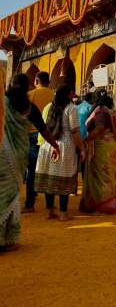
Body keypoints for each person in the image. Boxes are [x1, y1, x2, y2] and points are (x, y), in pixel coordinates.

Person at [0, 78, 59, 251]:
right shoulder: (29, 108)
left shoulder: (3, 103)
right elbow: (43, 129)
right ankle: (6, 240)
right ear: (27, 89)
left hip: (2, 153)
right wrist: (55, 145)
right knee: (9, 197)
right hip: (16, 158)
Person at [34, 85, 85, 221]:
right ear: (69, 94)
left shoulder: (51, 106)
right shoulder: (71, 108)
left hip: (49, 144)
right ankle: (63, 213)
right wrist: (81, 148)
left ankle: (50, 211)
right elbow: (74, 131)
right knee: (65, 179)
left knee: (50, 178)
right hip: (65, 145)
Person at [80, 92, 116, 214]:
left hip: (101, 146)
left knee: (100, 175)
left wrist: (87, 139)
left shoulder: (100, 111)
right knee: (111, 174)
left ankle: (102, 204)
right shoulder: (114, 113)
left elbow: (100, 128)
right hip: (112, 145)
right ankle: (115, 200)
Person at [24, 71, 54, 212]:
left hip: (32, 134)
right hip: (49, 135)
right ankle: (50, 204)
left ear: (36, 81)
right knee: (48, 169)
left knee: (32, 170)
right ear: (48, 81)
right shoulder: (54, 95)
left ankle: (30, 204)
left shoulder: (30, 95)